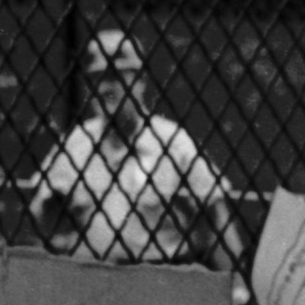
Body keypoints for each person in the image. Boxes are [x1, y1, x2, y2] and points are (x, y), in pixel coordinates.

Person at [29, 25, 235, 269]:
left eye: (114, 78)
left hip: (158, 277)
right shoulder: (75, 145)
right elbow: (40, 221)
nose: (104, 88)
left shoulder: (173, 143)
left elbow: (217, 219)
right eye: (96, 79)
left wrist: (236, 284)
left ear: (140, 81)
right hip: (91, 277)